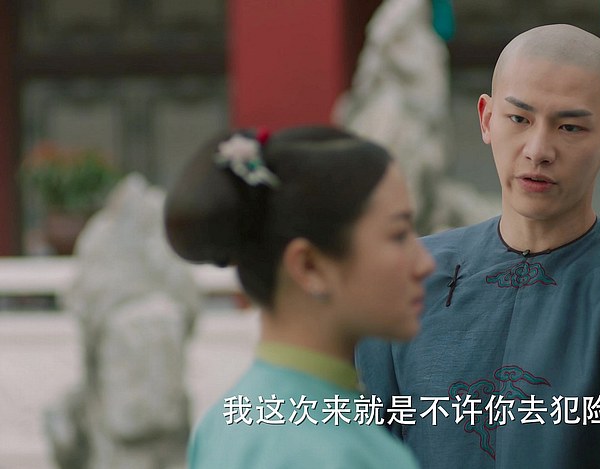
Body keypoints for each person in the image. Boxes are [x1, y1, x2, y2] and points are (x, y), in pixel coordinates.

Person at [356, 24, 600, 468]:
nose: (538, 150)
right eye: (519, 119)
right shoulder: (409, 274)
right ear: (486, 118)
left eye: (569, 127)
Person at [164, 126, 435, 468]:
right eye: (398, 235)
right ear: (309, 266)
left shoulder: (224, 422)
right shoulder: (329, 452)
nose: (425, 263)